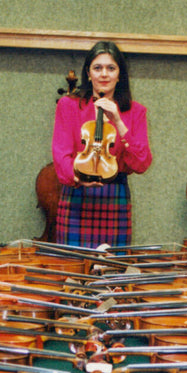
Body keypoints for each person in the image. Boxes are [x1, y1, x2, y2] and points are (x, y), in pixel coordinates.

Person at [51, 41, 152, 249]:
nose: (104, 74)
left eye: (111, 68)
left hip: (115, 195)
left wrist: (118, 122)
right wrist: (79, 177)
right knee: (74, 272)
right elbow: (61, 155)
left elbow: (141, 163)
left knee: (112, 274)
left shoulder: (136, 111)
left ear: (119, 74)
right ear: (88, 73)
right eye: (97, 68)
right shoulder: (68, 105)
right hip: (77, 196)